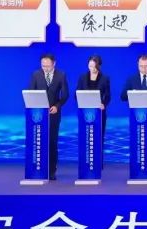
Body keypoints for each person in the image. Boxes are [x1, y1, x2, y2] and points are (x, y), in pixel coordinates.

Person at [28, 52, 69, 180]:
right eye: (43, 66)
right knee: (38, 141)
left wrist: (57, 106)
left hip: (53, 114)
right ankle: (38, 168)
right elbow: (31, 92)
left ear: (54, 64)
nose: (45, 68)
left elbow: (65, 95)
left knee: (52, 142)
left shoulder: (61, 75)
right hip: (38, 115)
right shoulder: (36, 75)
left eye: (47, 66)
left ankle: (52, 170)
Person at [75, 54, 111, 139]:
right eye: (90, 66)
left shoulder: (105, 78)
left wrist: (104, 104)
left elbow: (108, 96)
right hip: (85, 111)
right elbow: (76, 94)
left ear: (99, 66)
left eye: (95, 67)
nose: (92, 69)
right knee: (85, 138)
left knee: (98, 138)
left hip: (99, 112)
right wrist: (81, 101)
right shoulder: (82, 77)